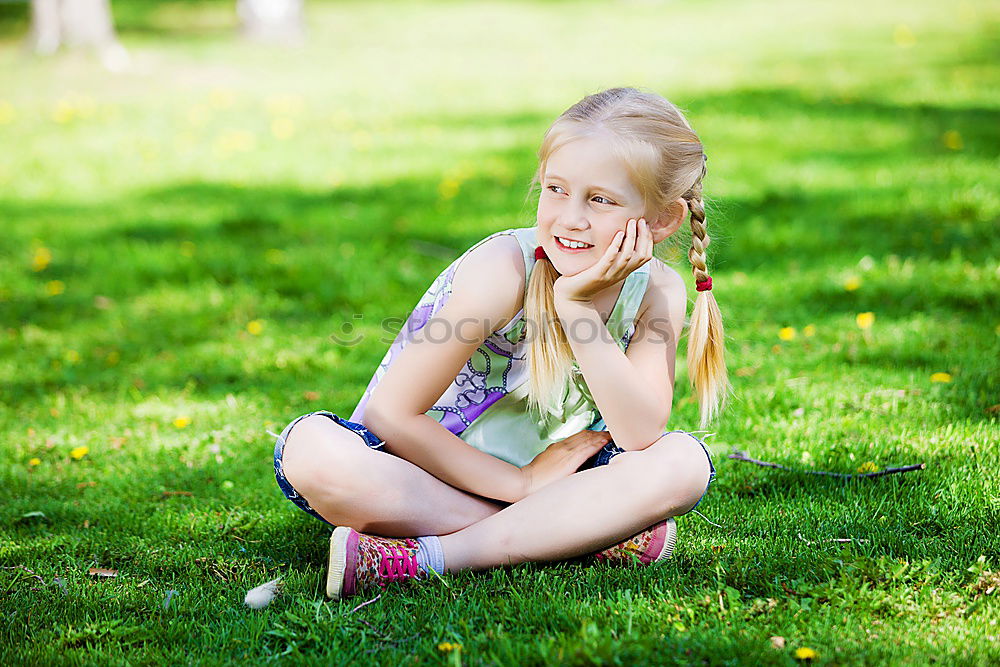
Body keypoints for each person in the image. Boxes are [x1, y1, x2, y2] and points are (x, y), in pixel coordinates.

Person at [272, 87, 728, 600]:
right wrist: (521, 489)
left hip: (563, 477)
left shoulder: (658, 291)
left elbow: (641, 432)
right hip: (424, 475)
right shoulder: (505, 268)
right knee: (314, 453)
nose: (569, 217)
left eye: (599, 199)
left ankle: (426, 557)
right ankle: (567, 536)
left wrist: (576, 310)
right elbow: (390, 417)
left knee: (684, 464)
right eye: (556, 189)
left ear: (662, 219)